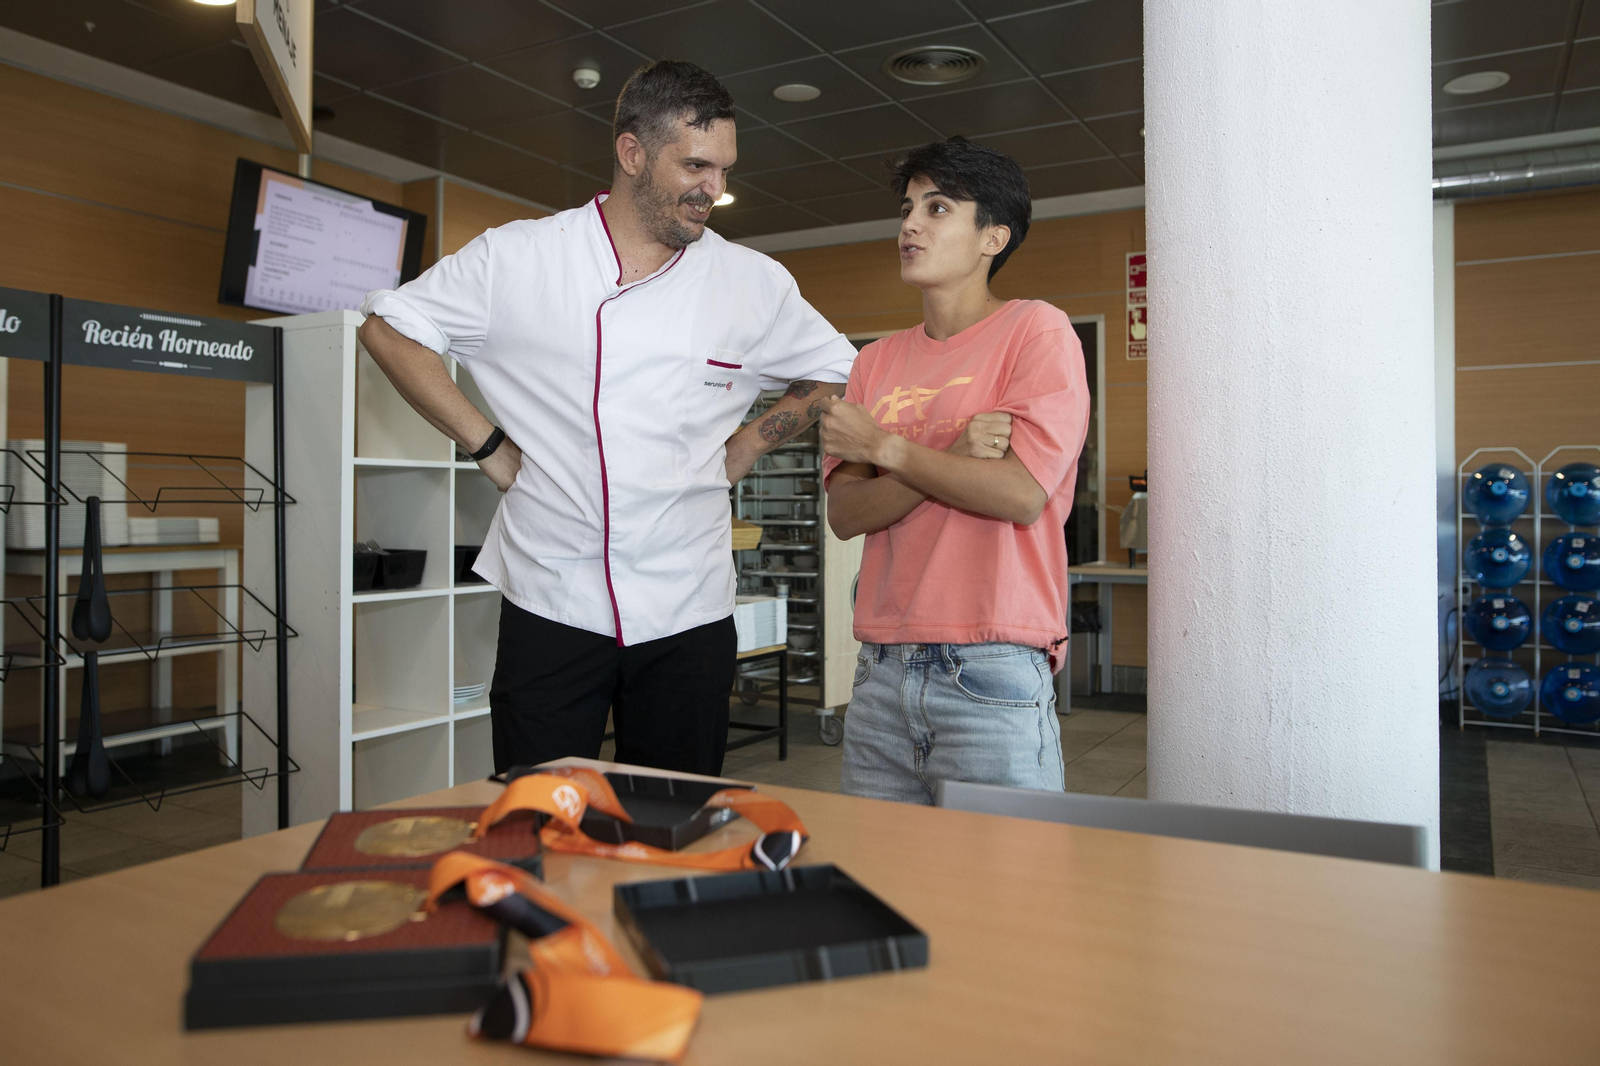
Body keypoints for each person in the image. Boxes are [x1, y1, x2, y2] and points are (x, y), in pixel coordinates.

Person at [358, 61, 852, 776]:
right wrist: (487, 444)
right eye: (695, 165)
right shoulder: (520, 257)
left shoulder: (751, 281)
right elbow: (388, 328)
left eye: (723, 168)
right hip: (552, 597)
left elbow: (833, 368)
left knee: (676, 819)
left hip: (690, 604)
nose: (714, 188)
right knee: (537, 818)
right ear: (631, 154)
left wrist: (748, 444)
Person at [818, 137, 1089, 804]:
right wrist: (951, 460)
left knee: (1002, 900)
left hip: (992, 666)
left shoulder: (1037, 333)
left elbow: (1021, 493)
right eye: (908, 208)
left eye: (937, 209)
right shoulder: (874, 362)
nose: (910, 225)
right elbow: (846, 514)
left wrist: (890, 453)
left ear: (993, 236)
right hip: (881, 670)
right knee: (881, 892)